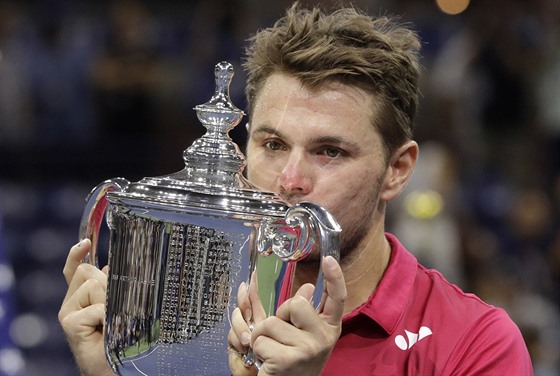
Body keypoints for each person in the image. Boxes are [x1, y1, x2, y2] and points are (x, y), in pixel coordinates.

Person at [59, 3, 534, 375]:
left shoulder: (474, 344)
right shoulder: (170, 320)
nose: (290, 180)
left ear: (398, 170)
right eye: (272, 144)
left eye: (329, 151)